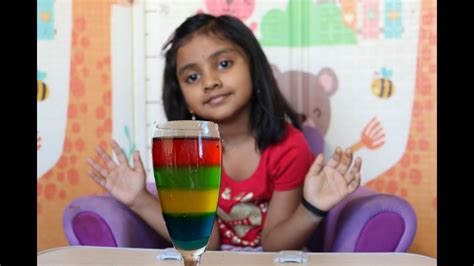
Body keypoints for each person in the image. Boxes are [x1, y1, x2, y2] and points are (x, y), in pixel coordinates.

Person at [86, 13, 362, 252]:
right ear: (181, 96)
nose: (210, 82)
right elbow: (207, 242)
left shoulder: (289, 146)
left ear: (254, 68)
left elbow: (275, 244)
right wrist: (139, 199)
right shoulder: (185, 149)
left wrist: (312, 207)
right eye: (192, 77)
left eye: (224, 64)